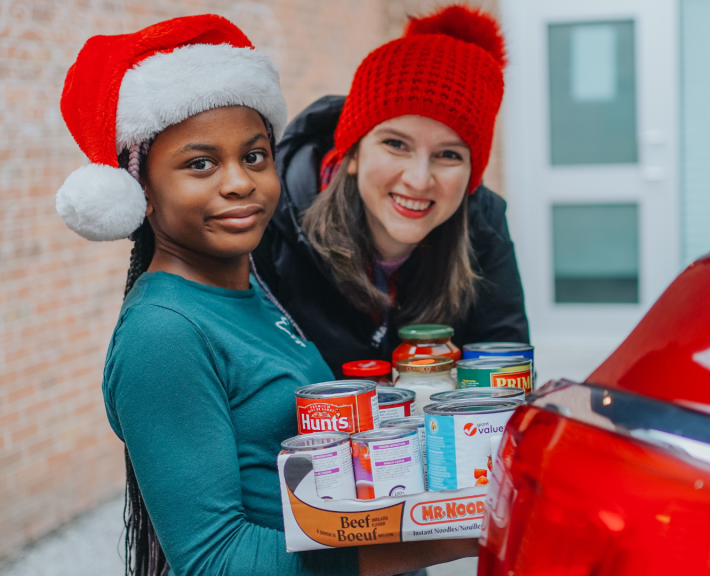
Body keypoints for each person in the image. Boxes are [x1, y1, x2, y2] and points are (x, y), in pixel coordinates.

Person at [55, 15, 476, 576]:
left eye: (254, 156)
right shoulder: (164, 333)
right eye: (200, 164)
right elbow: (216, 559)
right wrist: (454, 535)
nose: (239, 182)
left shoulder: (249, 290)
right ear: (139, 192)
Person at [253, 5, 528, 376]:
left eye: (448, 154)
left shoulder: (485, 224)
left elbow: (508, 375)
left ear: (471, 175)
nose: (418, 179)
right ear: (352, 152)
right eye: (396, 144)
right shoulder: (271, 220)